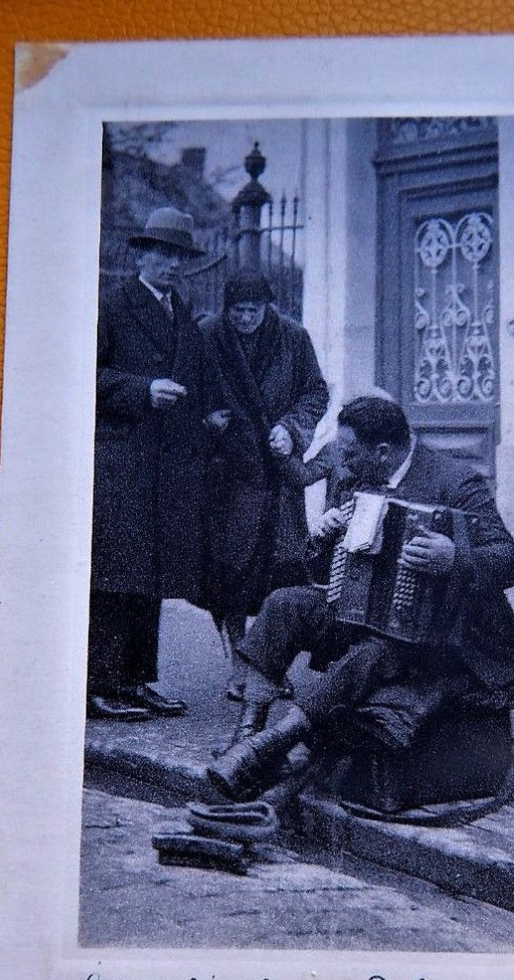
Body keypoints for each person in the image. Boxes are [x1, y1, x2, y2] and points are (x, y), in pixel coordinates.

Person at [207, 395, 514, 803]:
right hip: (367, 617)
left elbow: (509, 560)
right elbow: (329, 577)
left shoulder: (457, 482)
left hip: (449, 639)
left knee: (376, 652)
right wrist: (322, 541)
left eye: (352, 454)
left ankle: (268, 748)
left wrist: (454, 556)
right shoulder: (357, 478)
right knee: (285, 604)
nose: (344, 463)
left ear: (383, 452)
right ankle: (245, 737)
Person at [88, 207, 230, 721]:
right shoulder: (113, 305)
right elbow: (84, 373)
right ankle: (99, 685)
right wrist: (142, 389)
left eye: (179, 255)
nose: (172, 264)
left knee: (147, 574)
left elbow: (197, 376)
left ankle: (135, 679)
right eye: (163, 253)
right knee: (113, 573)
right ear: (142, 254)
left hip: (166, 464)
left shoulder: (180, 311)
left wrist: (209, 412)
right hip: (121, 461)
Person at [196, 269, 329, 696]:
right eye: (238, 310)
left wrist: (293, 427)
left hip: (278, 475)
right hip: (227, 475)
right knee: (229, 575)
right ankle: (239, 661)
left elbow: (315, 393)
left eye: (254, 310)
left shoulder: (292, 336)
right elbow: (190, 390)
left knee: (282, 573)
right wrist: (206, 418)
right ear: (226, 307)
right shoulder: (209, 335)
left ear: (268, 306)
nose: (246, 318)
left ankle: (269, 664)